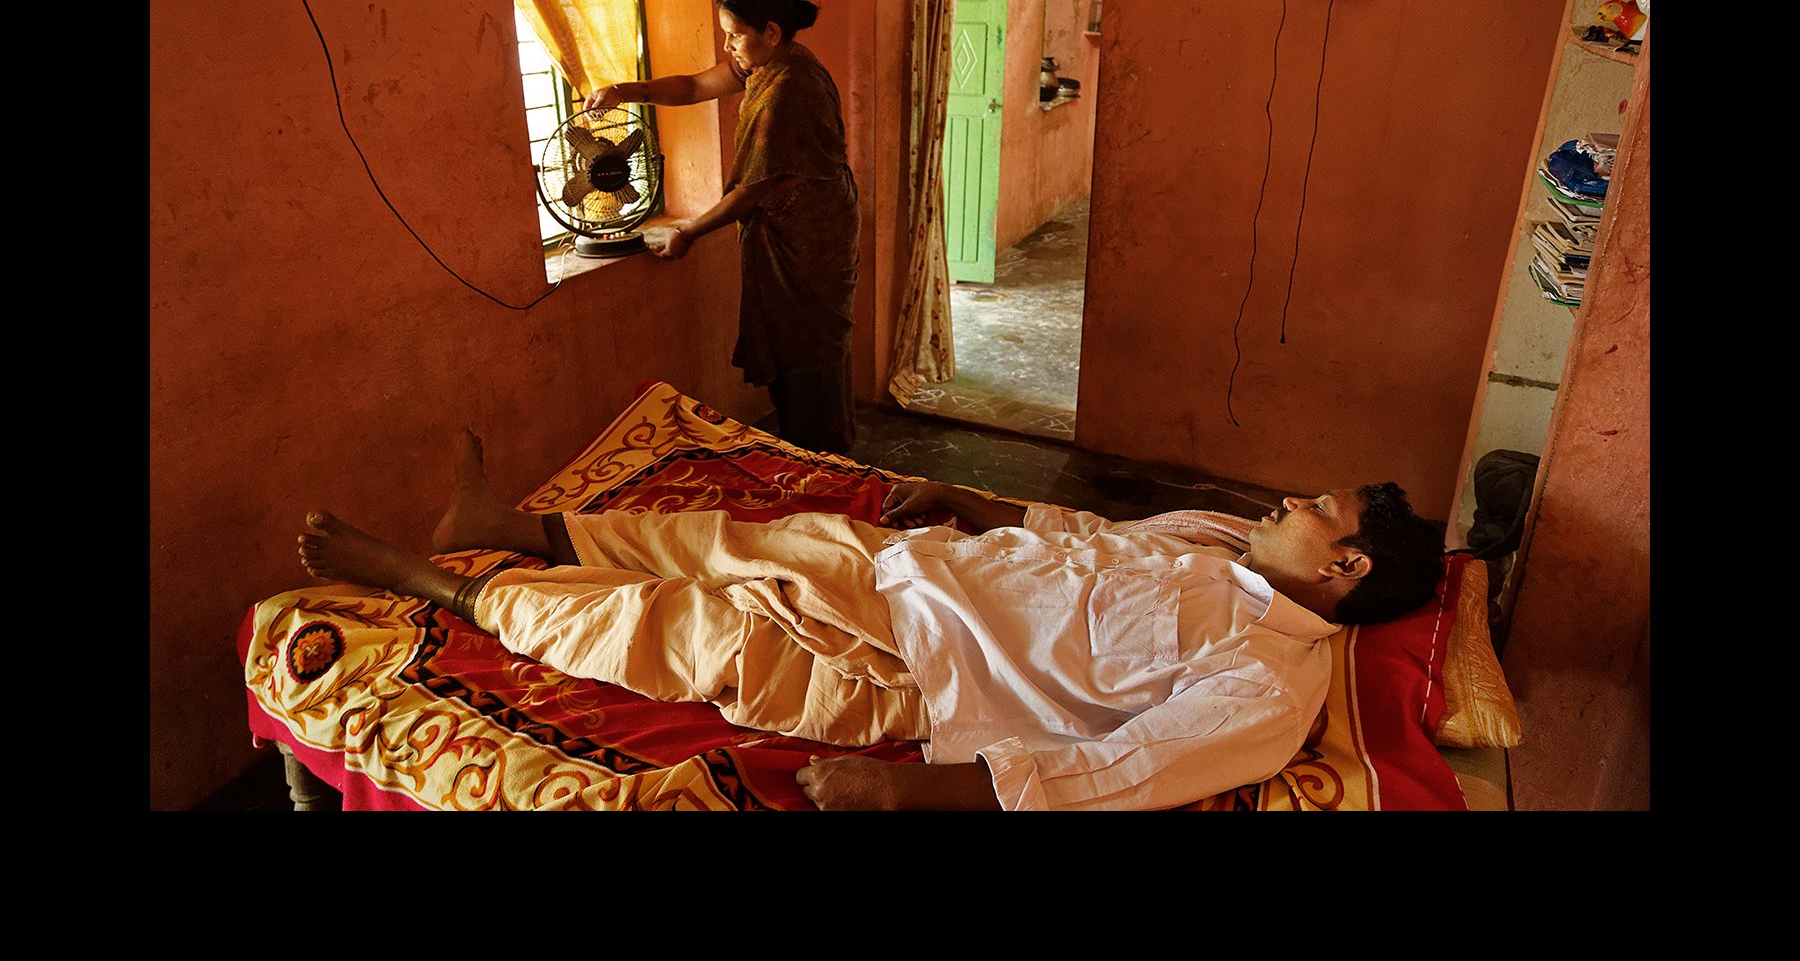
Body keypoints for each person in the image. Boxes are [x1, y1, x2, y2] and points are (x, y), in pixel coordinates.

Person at [297, 431, 1446, 812]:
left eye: (1316, 511)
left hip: (909, 673)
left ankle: (441, 584)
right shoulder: (1215, 536)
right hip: (917, 569)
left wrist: (907, 788)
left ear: (1343, 567)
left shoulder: (1266, 683)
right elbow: (1078, 525)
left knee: (673, 626)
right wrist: (972, 502)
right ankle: (512, 524)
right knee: (729, 537)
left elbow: (1113, 774)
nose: (1289, 502)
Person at [587, 0, 859, 454]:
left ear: (771, 32)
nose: (728, 45)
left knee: (808, 356)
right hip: (791, 229)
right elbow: (693, 86)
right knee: (794, 354)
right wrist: (624, 90)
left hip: (810, 240)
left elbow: (754, 189)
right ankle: (810, 457)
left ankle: (823, 466)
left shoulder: (788, 88)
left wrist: (688, 231)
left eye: (734, 34)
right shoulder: (769, 63)